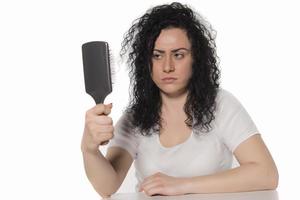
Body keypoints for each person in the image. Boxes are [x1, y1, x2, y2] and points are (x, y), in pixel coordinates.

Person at [81, 2, 279, 198]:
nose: (167, 66)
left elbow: (266, 174)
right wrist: (89, 149)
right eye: (157, 56)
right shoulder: (135, 117)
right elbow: (107, 187)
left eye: (178, 55)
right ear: (146, 62)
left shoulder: (221, 105)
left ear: (196, 59)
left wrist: (181, 185)